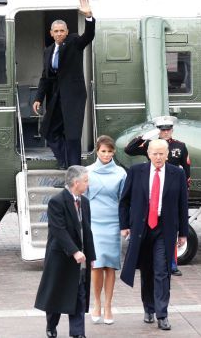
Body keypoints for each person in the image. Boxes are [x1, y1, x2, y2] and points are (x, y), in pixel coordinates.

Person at [119, 139, 189, 331]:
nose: (158, 157)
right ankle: (148, 308)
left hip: (164, 228)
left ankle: (162, 314)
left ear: (167, 154)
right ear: (148, 154)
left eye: (161, 154)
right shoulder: (136, 172)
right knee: (147, 270)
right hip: (142, 228)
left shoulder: (177, 174)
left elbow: (183, 204)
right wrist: (124, 225)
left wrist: (183, 232)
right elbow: (124, 201)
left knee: (162, 270)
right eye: (154, 154)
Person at [124, 115, 191, 276]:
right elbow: (129, 150)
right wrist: (144, 136)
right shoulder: (149, 144)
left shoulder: (179, 146)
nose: (165, 132)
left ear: (172, 130)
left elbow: (186, 169)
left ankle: (172, 264)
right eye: (162, 130)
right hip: (153, 188)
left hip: (171, 190)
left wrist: (184, 191)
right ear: (158, 131)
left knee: (171, 229)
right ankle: (148, 262)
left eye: (168, 129)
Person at [32, 0, 95, 168]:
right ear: (51, 33)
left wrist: (88, 16)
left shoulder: (74, 42)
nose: (59, 33)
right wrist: (38, 98)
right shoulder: (48, 51)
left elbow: (88, 36)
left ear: (67, 32)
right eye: (56, 31)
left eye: (62, 30)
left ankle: (74, 170)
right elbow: (45, 76)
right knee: (49, 131)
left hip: (73, 96)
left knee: (72, 135)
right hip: (56, 96)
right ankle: (65, 162)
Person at [35, 166, 96, 338]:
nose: (88, 183)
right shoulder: (57, 201)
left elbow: (87, 230)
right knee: (57, 293)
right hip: (60, 257)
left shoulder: (84, 202)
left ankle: (78, 333)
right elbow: (58, 230)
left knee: (79, 293)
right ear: (76, 183)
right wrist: (74, 251)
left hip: (80, 258)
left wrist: (91, 255)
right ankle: (51, 325)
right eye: (86, 181)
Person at [86, 135, 126, 325]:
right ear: (97, 150)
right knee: (96, 264)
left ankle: (108, 305)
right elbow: (82, 200)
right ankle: (96, 303)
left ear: (114, 152)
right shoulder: (86, 172)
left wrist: (126, 226)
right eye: (103, 151)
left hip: (113, 222)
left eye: (110, 151)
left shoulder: (121, 173)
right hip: (93, 223)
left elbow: (124, 201)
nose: (106, 154)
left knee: (110, 265)